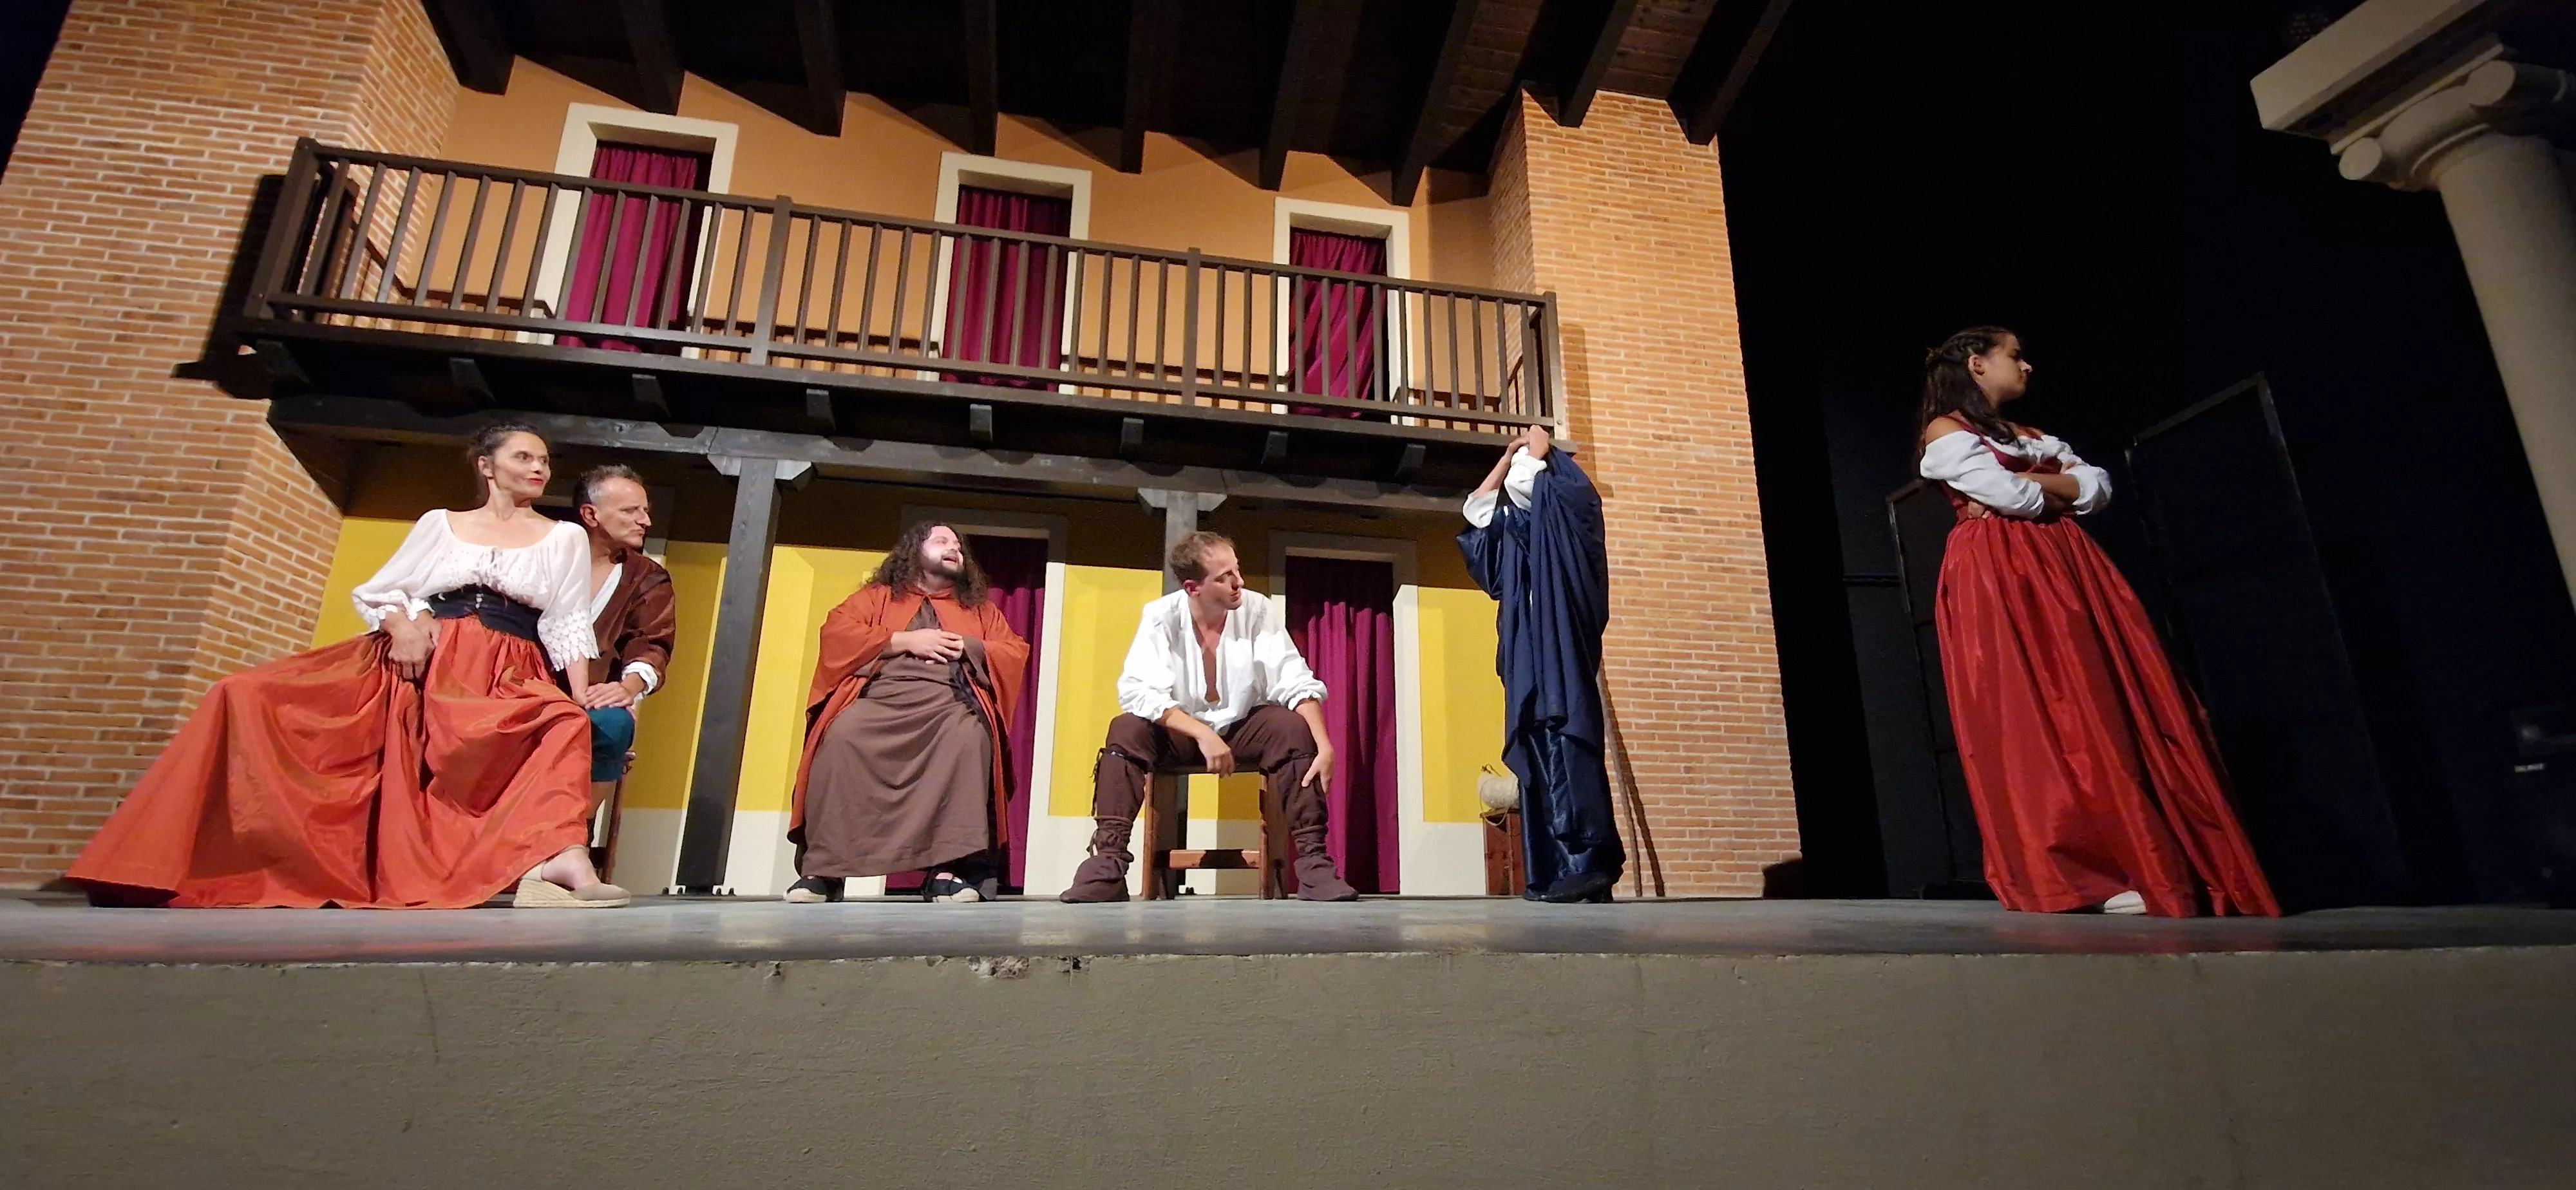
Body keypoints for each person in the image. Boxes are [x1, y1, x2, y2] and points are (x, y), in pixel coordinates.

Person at [67, 423, 628, 909]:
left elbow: (566, 622)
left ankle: (565, 860)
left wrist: (577, 694)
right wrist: (402, 627)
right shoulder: (440, 522)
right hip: (421, 653)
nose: (538, 468)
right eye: (523, 457)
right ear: (487, 465)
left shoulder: (564, 537)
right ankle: (167, 858)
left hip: (505, 661)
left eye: (544, 460)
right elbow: (389, 591)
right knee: (245, 692)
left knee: (562, 723)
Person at [1917, 326, 2278, 918]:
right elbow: (2005, 496)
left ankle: (2144, 851)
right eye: (2014, 355)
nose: (2026, 366)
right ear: (1978, 365)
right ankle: (2083, 870)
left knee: (2101, 697)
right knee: (2037, 709)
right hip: (2000, 574)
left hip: (2067, 566)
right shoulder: (1947, 431)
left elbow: (2095, 489)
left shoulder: (2033, 436)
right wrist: (2048, 489)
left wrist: (2037, 484)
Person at [1060, 531, 1358, 903]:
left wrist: (1324, 745)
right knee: (1125, 728)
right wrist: (1201, 733)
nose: (1239, 583)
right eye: (1224, 577)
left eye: (1237, 570)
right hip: (1181, 734)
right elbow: (1137, 690)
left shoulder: (1257, 609)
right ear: (1193, 587)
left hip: (1242, 727)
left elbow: (1292, 678)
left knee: (1293, 727)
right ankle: (1107, 863)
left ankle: (1314, 864)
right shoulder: (1161, 616)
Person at [786, 523, 1028, 903]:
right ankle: (825, 870)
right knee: (842, 736)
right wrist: (903, 640)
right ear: (915, 550)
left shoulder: (978, 610)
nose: (954, 550)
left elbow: (1013, 650)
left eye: (959, 547)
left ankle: (949, 869)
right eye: (942, 541)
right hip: (880, 701)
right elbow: (836, 632)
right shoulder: (876, 598)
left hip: (949, 703)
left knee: (969, 738)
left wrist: (969, 646)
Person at [1459, 425, 1625, 903]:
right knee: (1536, 744)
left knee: (1568, 743)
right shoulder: (1521, 534)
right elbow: (1478, 514)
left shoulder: (1574, 515)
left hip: (1561, 651)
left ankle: (1591, 862)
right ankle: (1555, 866)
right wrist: (1506, 456)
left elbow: (1530, 484)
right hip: (1527, 651)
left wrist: (1535, 444)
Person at [573, 465, 676, 820]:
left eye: (645, 511)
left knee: (614, 724)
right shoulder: (548, 556)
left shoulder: (647, 577)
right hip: (525, 682)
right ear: (591, 514)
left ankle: (572, 833)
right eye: (631, 511)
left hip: (592, 692)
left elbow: (652, 641)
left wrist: (627, 687)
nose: (644, 521)